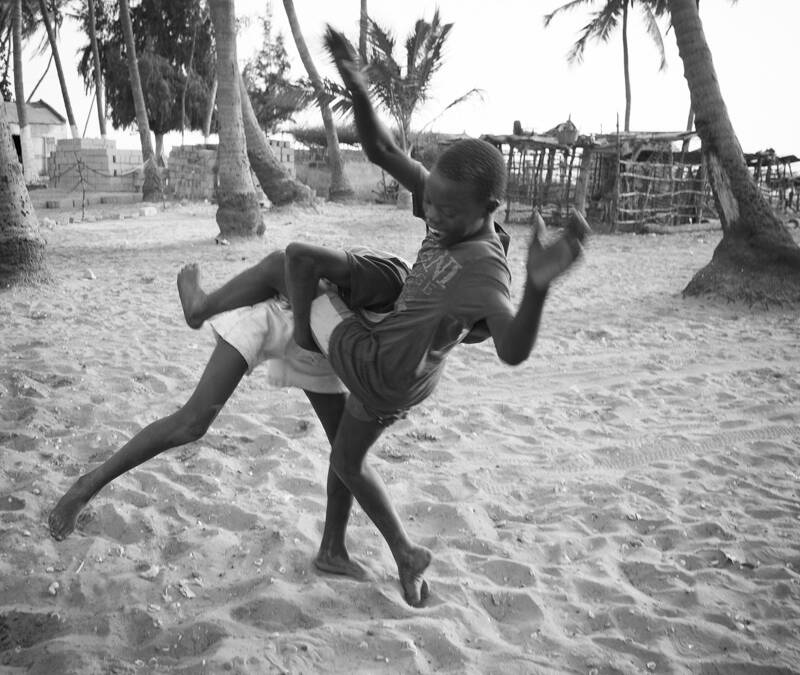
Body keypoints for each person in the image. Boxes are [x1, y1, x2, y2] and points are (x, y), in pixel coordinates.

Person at [187, 26, 590, 608]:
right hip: (404, 373)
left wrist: (537, 289)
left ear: (489, 211)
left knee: (288, 263)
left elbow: (512, 349)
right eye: (431, 203)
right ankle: (381, 553)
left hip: (374, 363)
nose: (434, 214)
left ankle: (270, 328)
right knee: (347, 457)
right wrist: (356, 85)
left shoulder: (484, 268)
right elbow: (380, 151)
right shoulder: (451, 208)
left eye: (447, 211)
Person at [47, 245, 410, 582]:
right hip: (276, 320)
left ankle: (333, 549)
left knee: (344, 450)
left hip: (319, 348)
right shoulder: (393, 279)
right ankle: (86, 486)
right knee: (192, 423)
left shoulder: (430, 324)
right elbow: (281, 262)